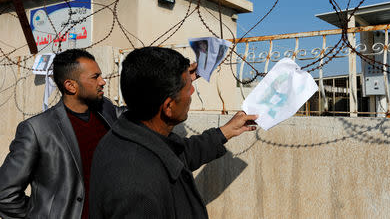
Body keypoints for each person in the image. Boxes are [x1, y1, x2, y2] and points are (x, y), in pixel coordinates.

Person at [89, 46, 257, 218]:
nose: (192, 91)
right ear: (169, 107)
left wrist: (225, 131)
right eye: (188, 87)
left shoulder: (132, 135)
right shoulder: (137, 186)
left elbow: (180, 154)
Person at [0, 49, 122, 219]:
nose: (102, 82)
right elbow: (5, 194)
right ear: (71, 86)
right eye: (95, 77)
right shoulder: (37, 129)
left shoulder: (106, 111)